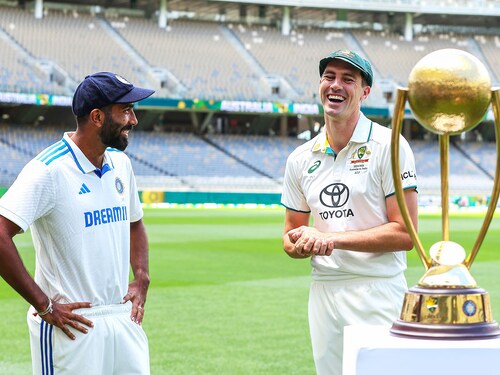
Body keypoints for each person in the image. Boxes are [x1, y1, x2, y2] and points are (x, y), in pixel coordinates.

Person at [0, 72, 154, 374]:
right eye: (125, 110)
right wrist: (44, 305)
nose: (133, 120)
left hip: (121, 317)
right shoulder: (48, 170)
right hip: (72, 327)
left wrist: (141, 276)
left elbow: (135, 223)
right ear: (97, 117)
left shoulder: (121, 164)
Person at [281, 50, 418, 375]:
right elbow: (289, 234)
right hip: (324, 291)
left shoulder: (390, 147)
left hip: (378, 289)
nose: (335, 85)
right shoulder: (300, 158)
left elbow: (406, 234)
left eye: (347, 79)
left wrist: (331, 239)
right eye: (329, 76)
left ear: (365, 91)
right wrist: (301, 244)